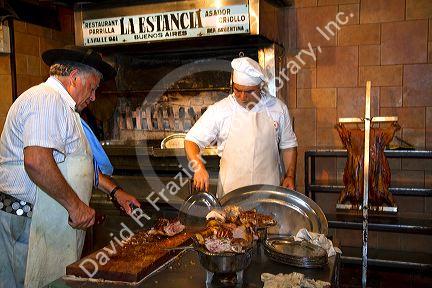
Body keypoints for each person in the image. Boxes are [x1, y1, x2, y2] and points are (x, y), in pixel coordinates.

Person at [0, 45, 138, 288]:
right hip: (24, 224)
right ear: (74, 78)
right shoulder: (45, 99)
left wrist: (115, 191)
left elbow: (79, 164)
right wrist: (76, 207)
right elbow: (37, 161)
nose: (94, 97)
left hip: (45, 222)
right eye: (93, 88)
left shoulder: (67, 110)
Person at [185, 57, 298, 198]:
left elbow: (289, 145)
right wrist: (198, 167)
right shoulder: (220, 110)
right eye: (238, 90)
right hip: (231, 197)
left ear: (260, 87)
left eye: (250, 91)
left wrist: (290, 176)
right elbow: (191, 140)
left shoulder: (277, 108)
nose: (243, 97)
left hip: (269, 195)